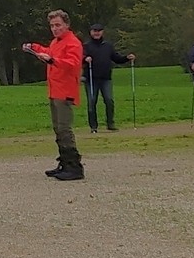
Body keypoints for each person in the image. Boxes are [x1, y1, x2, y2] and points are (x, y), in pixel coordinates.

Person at [22, 10, 86, 181]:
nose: (54, 29)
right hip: (55, 89)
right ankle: (64, 163)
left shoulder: (73, 43)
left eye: (58, 25)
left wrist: (52, 61)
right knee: (58, 128)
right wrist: (34, 48)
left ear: (67, 25)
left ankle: (74, 167)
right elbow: (49, 52)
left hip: (65, 91)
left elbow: (72, 64)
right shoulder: (56, 42)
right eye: (52, 26)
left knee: (64, 128)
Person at [82, 25, 135, 132]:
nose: (97, 33)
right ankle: (93, 127)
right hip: (91, 79)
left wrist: (126, 58)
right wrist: (85, 58)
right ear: (91, 32)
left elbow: (116, 58)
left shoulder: (108, 46)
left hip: (106, 78)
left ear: (102, 32)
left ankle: (110, 124)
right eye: (94, 31)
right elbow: (79, 58)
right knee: (92, 102)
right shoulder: (86, 46)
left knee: (109, 100)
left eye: (99, 31)